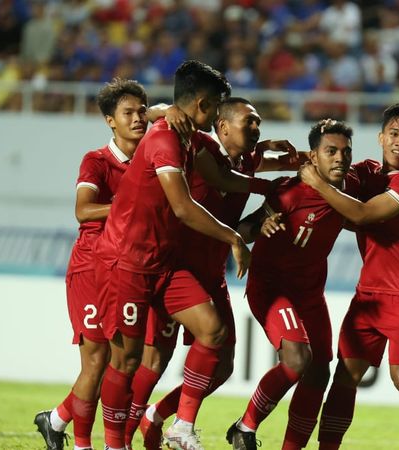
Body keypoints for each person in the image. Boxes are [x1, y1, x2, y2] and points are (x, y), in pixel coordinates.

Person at [92, 60, 262, 450]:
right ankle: (113, 444)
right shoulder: (166, 139)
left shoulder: (189, 138)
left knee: (212, 331)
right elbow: (183, 207)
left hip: (164, 263)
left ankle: (180, 426)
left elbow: (222, 177)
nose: (221, 113)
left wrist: (273, 190)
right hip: (127, 263)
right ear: (202, 104)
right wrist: (234, 238)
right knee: (128, 360)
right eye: (218, 105)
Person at [123, 97, 306, 450]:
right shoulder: (200, 144)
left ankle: (157, 416)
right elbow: (150, 114)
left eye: (258, 122)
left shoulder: (249, 160)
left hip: (211, 272)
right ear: (222, 126)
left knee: (222, 366)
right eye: (248, 122)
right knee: (155, 359)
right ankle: (123, 438)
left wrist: (300, 162)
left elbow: (262, 170)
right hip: (175, 267)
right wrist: (163, 109)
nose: (256, 128)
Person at [32, 78, 192, 450]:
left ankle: (56, 420)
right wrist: (130, 204)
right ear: (109, 121)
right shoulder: (97, 161)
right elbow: (82, 210)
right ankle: (84, 444)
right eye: (127, 113)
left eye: (141, 112)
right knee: (99, 360)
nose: (138, 119)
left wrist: (163, 109)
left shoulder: (154, 152)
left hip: (134, 265)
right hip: (92, 265)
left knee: (126, 360)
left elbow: (158, 112)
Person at [297, 103, 399, 450]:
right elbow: (331, 173)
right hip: (369, 293)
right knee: (344, 377)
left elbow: (364, 213)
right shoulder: (367, 171)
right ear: (381, 136)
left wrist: (317, 183)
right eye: (395, 134)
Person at [227, 119, 356, 450]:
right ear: (313, 156)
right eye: (331, 151)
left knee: (318, 373)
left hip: (311, 295)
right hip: (272, 289)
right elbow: (243, 230)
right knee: (298, 360)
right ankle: (245, 426)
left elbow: (367, 216)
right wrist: (261, 226)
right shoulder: (287, 190)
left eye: (345, 151)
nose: (340, 158)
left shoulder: (348, 193)